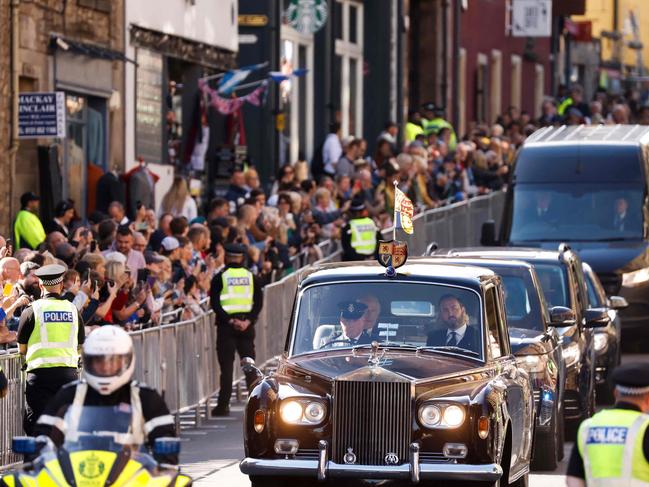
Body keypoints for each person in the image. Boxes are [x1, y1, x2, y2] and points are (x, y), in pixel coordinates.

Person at [33, 326, 178, 463]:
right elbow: (43, 436)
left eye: (113, 362)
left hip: (132, 479)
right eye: (99, 361)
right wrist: (38, 455)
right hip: (75, 477)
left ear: (127, 361)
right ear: (87, 361)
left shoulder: (145, 397)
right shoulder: (69, 394)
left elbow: (166, 443)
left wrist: (165, 470)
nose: (106, 367)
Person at [17, 264, 85, 435]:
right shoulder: (73, 309)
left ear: (41, 286)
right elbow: (79, 345)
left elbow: (21, 348)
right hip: (68, 375)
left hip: (39, 378)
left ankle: (36, 461)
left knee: (37, 426)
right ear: (62, 285)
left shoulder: (32, 310)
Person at [566, 362, 649, 487]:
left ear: (615, 393)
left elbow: (573, 479)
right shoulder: (645, 427)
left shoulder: (588, 427)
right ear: (648, 398)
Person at [210, 244, 263, 416]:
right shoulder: (251, 277)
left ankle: (223, 406)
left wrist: (229, 320)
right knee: (250, 367)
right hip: (246, 327)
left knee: (226, 368)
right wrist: (249, 320)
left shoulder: (220, 277)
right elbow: (258, 302)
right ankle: (255, 405)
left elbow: (215, 304)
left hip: (227, 327)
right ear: (242, 257)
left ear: (227, 257)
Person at [341, 197, 380, 261]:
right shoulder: (372, 223)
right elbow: (381, 242)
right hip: (373, 261)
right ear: (363, 211)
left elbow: (346, 247)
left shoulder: (349, 226)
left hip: (356, 263)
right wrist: (373, 257)